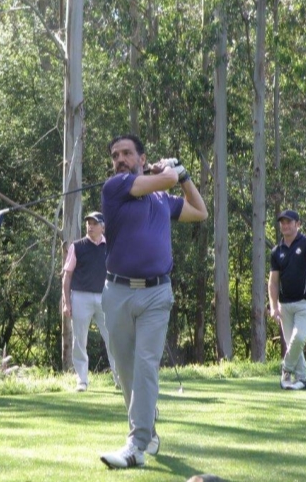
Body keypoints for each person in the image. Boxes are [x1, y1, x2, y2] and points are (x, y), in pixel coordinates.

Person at [99, 134, 208, 469]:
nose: (120, 158)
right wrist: (172, 170)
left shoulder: (161, 198)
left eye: (127, 153)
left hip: (157, 293)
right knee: (126, 371)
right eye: (115, 154)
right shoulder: (115, 187)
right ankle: (147, 423)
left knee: (146, 364)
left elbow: (200, 212)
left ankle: (136, 445)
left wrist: (185, 176)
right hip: (116, 292)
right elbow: (165, 178)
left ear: (141, 158)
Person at [62, 211, 118, 392]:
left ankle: (120, 379)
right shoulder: (77, 247)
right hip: (80, 296)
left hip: (106, 297)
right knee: (80, 340)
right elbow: (67, 276)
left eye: (94, 223)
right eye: (88, 223)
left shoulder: (110, 246)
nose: (90, 226)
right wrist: (66, 302)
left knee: (113, 340)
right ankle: (82, 380)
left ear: (103, 226)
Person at [268, 209, 306, 391]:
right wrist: (274, 306)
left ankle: (286, 369)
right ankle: (302, 380)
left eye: (289, 222)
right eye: (282, 222)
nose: (285, 225)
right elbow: (273, 283)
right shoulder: (277, 251)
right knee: (292, 342)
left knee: (298, 338)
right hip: (285, 305)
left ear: (298, 224)